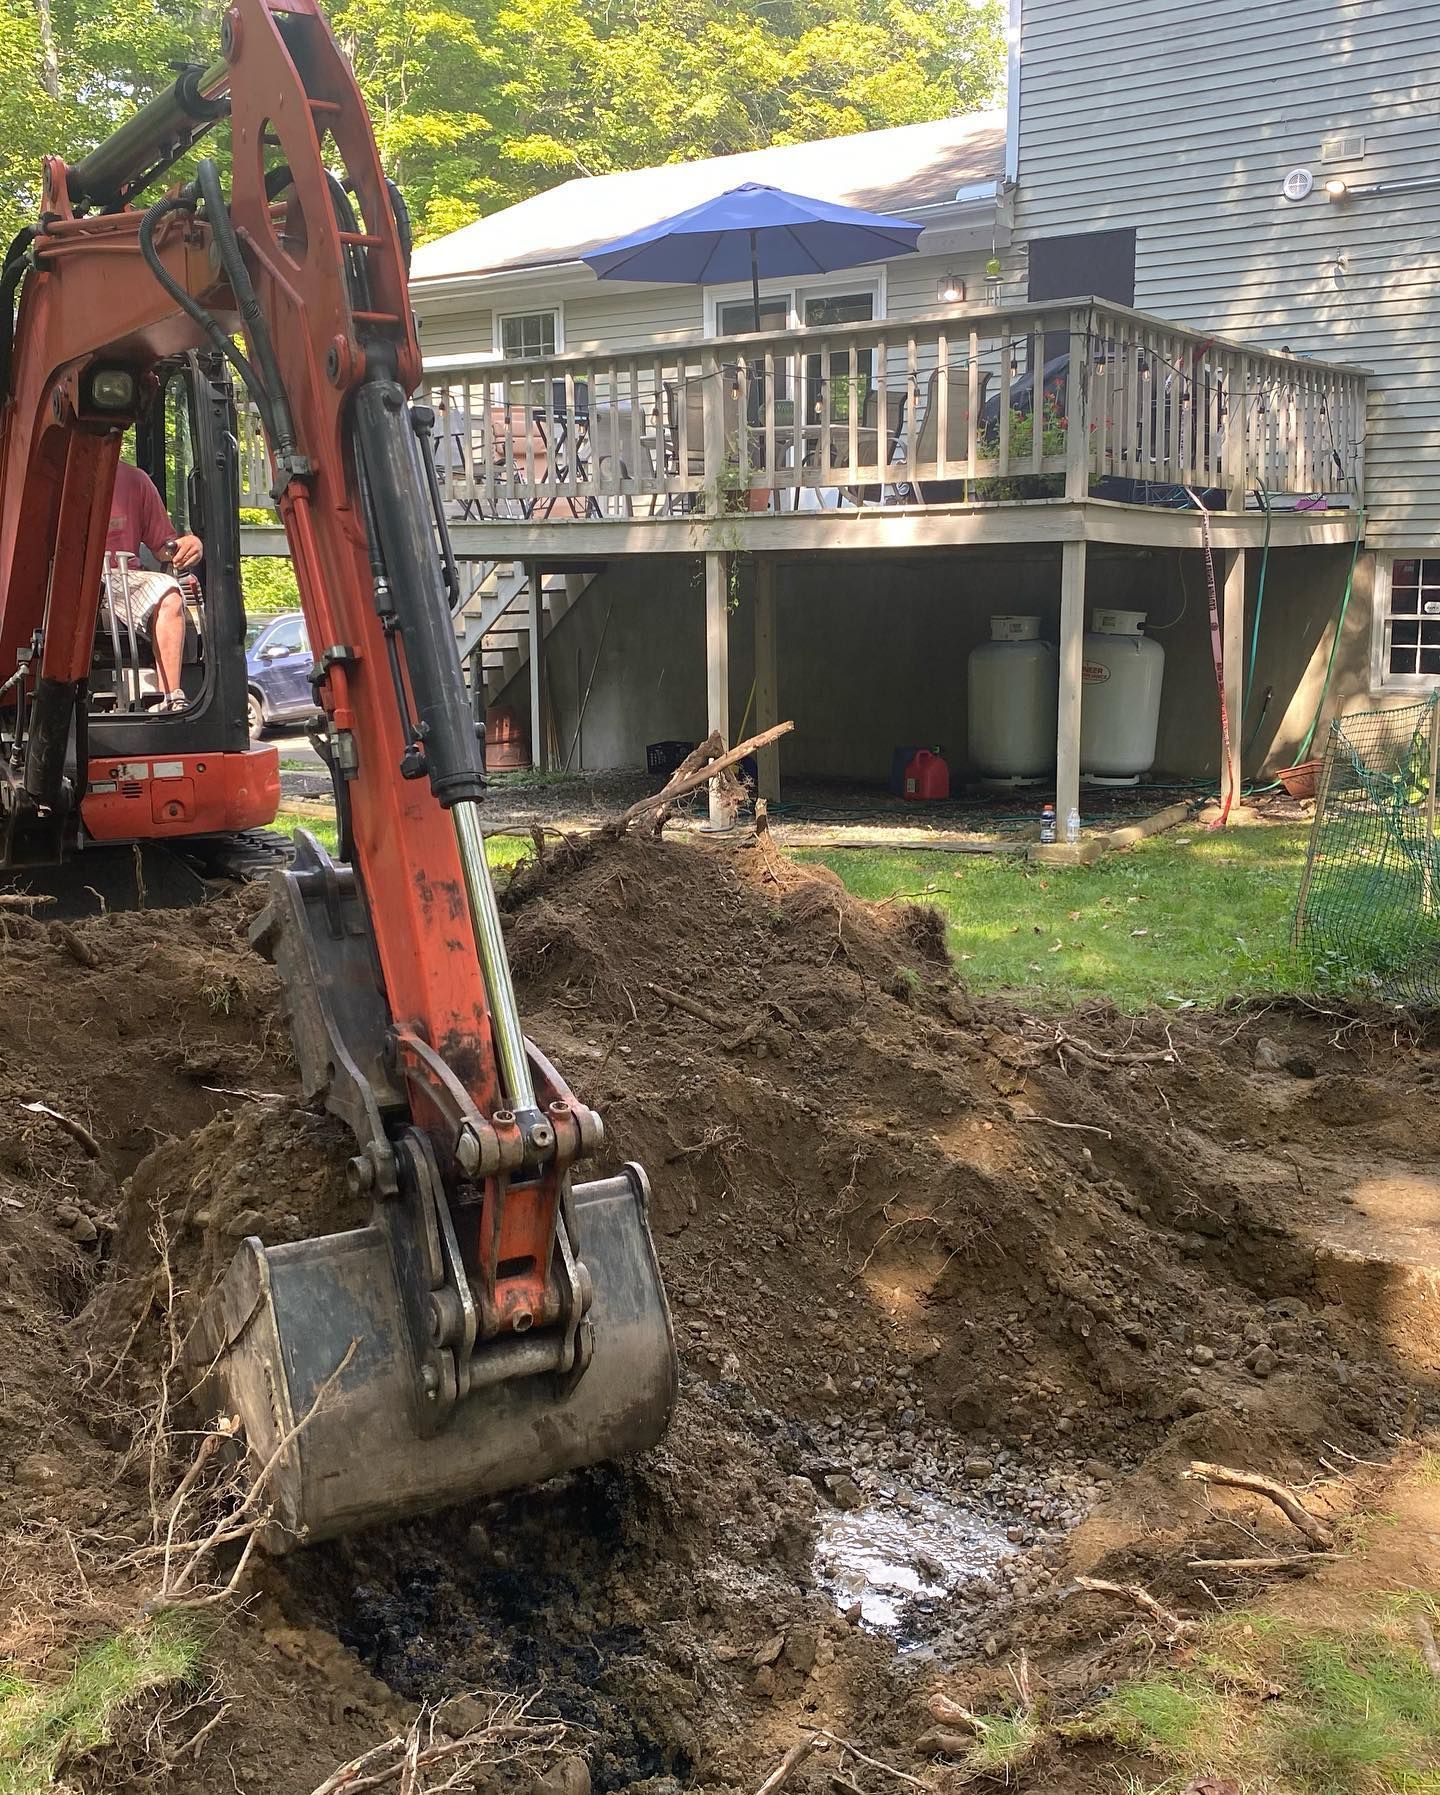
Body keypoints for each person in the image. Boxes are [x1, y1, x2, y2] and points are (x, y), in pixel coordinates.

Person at [104, 460, 203, 711]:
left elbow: (163, 547)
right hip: (66, 578)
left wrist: (190, 545)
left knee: (169, 593)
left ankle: (170, 698)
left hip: (121, 577)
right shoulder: (51, 476)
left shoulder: (136, 481)